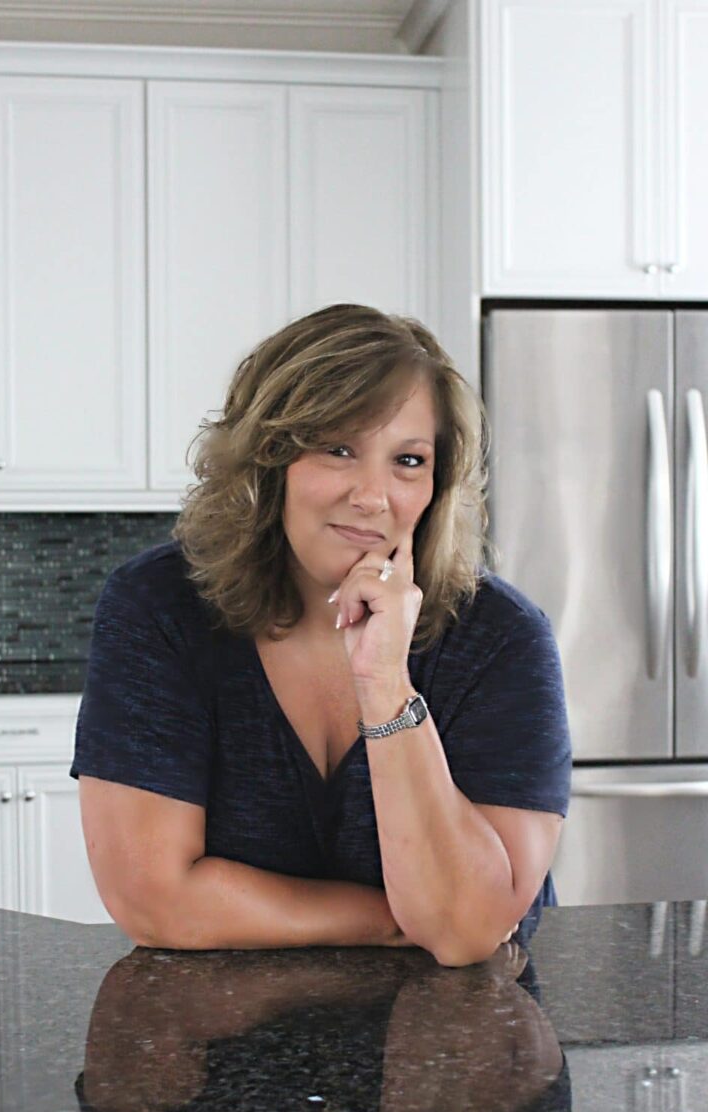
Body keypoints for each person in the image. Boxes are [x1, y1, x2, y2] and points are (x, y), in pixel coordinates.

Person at [70, 303, 572, 966]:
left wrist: (384, 684)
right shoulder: (160, 609)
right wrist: (393, 921)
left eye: (409, 460)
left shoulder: (502, 639)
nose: (373, 496)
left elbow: (461, 931)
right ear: (267, 460)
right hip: (226, 1045)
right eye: (338, 449)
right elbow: (153, 901)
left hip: (460, 1047)